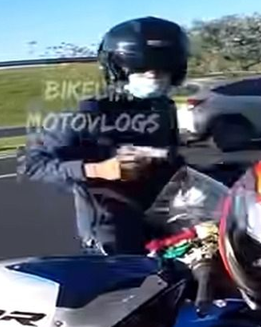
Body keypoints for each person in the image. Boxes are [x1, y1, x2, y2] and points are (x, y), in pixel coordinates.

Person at [18, 16, 189, 254]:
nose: (153, 76)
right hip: (112, 231)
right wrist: (97, 170)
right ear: (117, 69)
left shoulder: (163, 107)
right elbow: (32, 164)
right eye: (141, 69)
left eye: (162, 71)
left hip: (165, 219)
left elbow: (171, 156)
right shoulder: (85, 111)